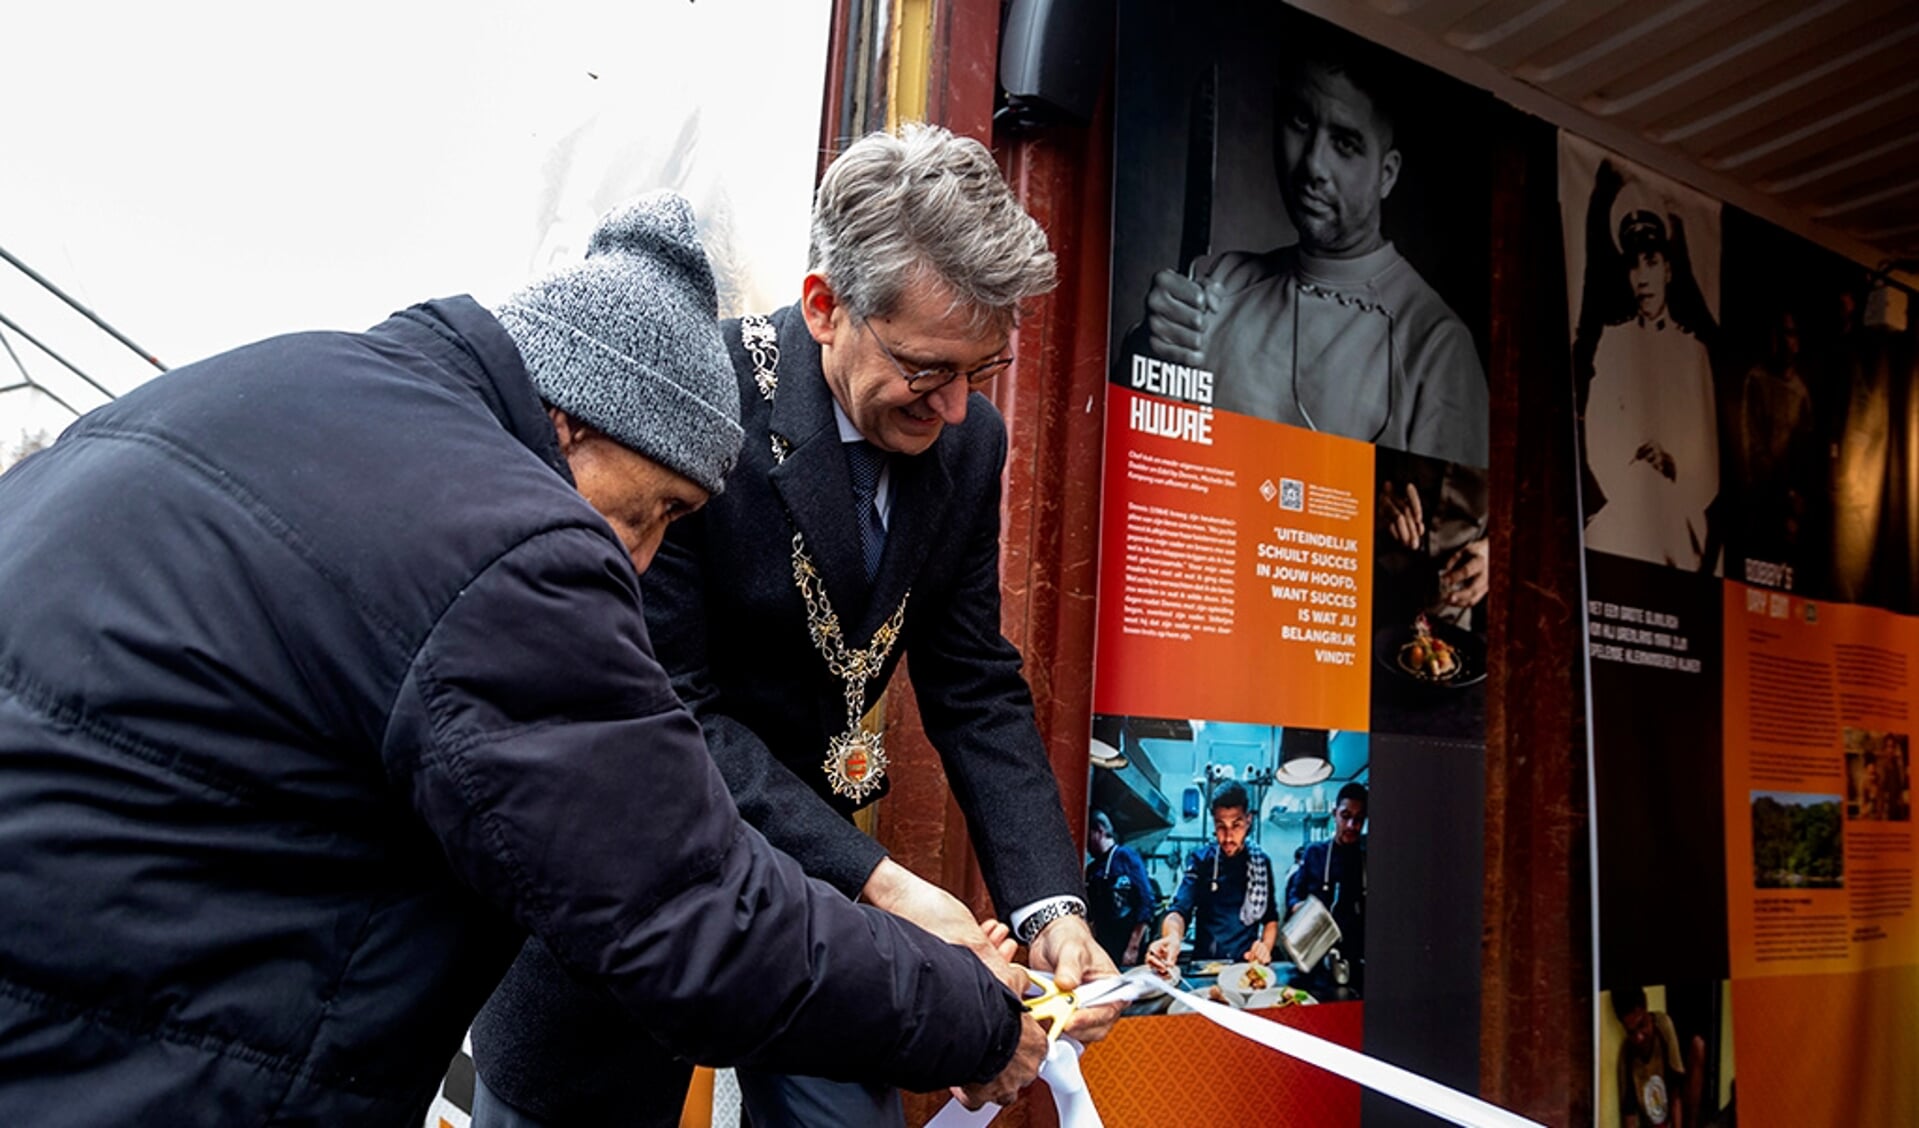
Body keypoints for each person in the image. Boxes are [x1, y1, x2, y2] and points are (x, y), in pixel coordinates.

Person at [0, 193, 1048, 1126]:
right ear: (568, 426)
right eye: (653, 516)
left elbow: (970, 683)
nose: (637, 560)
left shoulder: (293, 384)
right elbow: (684, 912)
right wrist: (964, 1010)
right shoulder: (506, 541)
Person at [472, 125, 1117, 1128]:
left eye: (976, 376)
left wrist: (1050, 906)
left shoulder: (969, 441)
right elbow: (670, 709)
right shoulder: (701, 400)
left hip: (819, 895)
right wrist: (892, 887)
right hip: (642, 868)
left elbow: (972, 683)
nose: (952, 410)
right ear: (824, 306)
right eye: (922, 370)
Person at [1126, 25, 1488, 467]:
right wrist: (1147, 346)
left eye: (1345, 143)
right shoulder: (1214, 286)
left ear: (1387, 174)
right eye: (1300, 121)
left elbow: (1437, 528)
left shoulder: (1436, 346)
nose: (1314, 164)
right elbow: (1144, 458)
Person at [1573, 159, 1720, 571]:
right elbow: (1599, 443)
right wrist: (1637, 467)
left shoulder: (1693, 353)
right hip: (1625, 506)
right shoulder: (1614, 344)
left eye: (1652, 262)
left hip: (1683, 517)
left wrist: (1670, 464)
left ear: (1668, 270)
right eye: (1634, 264)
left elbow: (1707, 474)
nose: (1642, 277)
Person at [1145, 781, 1279, 979]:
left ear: (1248, 820)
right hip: (1206, 970)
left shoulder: (1261, 863)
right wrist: (1172, 937)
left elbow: (1270, 919)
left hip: (1245, 968)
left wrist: (1265, 947)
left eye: (1236, 825)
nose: (1227, 837)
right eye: (1220, 826)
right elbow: (1178, 911)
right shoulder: (1201, 860)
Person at [1285, 781, 1368, 992]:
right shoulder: (1315, 853)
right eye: (1346, 816)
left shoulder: (1367, 860)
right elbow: (1294, 894)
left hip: (1351, 960)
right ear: (1335, 814)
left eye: (1358, 820)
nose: (1351, 825)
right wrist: (1297, 906)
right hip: (1310, 954)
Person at [1612, 986, 1704, 1128]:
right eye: (1631, 1032)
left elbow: (1675, 1096)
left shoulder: (1664, 1027)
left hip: (1674, 1113)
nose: (1639, 1037)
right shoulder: (1627, 1056)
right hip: (1653, 1122)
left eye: (1641, 1025)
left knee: (1698, 1046)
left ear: (1645, 1008)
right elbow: (1629, 1114)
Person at [1087, 810, 1156, 966]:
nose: (1086, 844)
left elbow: (1146, 903)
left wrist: (1133, 948)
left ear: (1099, 830)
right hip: (1102, 945)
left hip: (1127, 944)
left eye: (1088, 835)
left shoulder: (1126, 857)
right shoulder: (1092, 868)